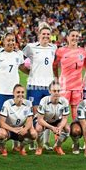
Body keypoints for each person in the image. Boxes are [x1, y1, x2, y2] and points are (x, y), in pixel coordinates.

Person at [22, 22, 57, 150]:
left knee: (47, 115)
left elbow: (54, 65)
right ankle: (33, 140)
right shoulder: (30, 47)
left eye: (48, 34)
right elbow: (20, 61)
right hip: (34, 86)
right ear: (39, 34)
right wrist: (29, 72)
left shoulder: (54, 48)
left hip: (48, 87)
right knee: (34, 114)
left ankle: (45, 142)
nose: (46, 36)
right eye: (44, 34)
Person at [0, 33, 28, 128]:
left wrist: (34, 72)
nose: (11, 42)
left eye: (13, 40)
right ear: (3, 41)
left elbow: (23, 68)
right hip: (0, 91)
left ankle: (15, 142)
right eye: (8, 40)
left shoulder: (18, 54)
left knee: (15, 118)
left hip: (14, 92)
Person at [54, 29, 86, 121]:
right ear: (68, 37)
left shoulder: (83, 52)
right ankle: (59, 135)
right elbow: (54, 65)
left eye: (77, 36)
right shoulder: (60, 51)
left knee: (76, 117)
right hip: (64, 87)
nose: (75, 38)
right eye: (73, 35)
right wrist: (57, 80)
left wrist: (83, 81)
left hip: (77, 88)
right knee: (61, 115)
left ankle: (75, 134)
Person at [0, 84, 38, 157]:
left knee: (34, 134)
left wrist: (25, 129)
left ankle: (21, 148)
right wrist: (13, 129)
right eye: (18, 92)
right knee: (1, 134)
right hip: (8, 130)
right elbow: (1, 122)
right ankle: (3, 148)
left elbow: (29, 121)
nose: (20, 94)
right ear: (13, 93)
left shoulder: (28, 103)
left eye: (22, 92)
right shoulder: (7, 103)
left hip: (20, 130)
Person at [34, 81, 70, 156]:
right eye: (54, 91)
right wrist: (52, 128)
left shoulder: (64, 101)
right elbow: (40, 119)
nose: (56, 93)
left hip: (57, 120)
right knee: (38, 128)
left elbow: (65, 118)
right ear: (50, 91)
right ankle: (39, 147)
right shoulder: (44, 101)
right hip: (44, 120)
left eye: (58, 91)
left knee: (67, 129)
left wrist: (60, 127)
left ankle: (57, 146)